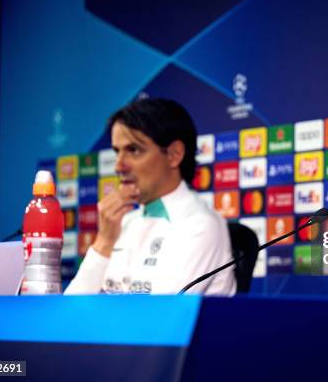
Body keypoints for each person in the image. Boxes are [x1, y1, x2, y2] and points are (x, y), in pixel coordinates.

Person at [65, 98, 236, 295]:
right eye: (117, 151)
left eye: (133, 150)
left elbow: (158, 318)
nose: (118, 166)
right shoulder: (123, 222)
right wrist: (104, 241)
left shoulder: (201, 224)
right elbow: (72, 312)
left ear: (174, 154)